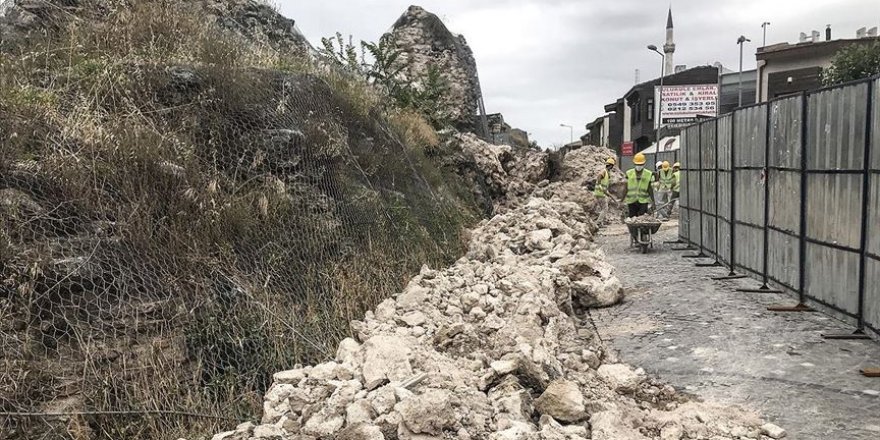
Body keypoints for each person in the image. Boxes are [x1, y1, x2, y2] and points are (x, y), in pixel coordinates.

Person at [623, 153, 654, 218]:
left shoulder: (648, 173)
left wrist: (653, 201)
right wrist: (622, 200)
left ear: (644, 164)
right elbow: (625, 188)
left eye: (640, 164)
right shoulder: (629, 173)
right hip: (631, 200)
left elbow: (649, 188)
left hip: (643, 200)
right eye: (637, 164)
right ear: (634, 163)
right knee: (632, 219)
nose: (639, 166)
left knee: (642, 218)